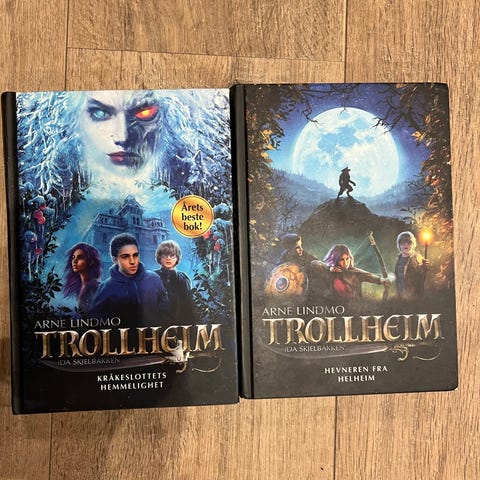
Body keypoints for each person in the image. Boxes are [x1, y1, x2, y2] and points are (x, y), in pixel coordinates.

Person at [91, 233, 169, 325]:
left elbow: (166, 311)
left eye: (135, 255)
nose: (132, 261)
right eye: (125, 257)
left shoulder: (154, 279)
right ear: (115, 259)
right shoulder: (106, 288)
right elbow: (96, 322)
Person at [310, 244, 390, 300]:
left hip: (353, 307)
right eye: (342, 259)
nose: (345, 262)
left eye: (347, 258)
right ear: (335, 260)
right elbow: (314, 264)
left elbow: (368, 276)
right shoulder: (329, 271)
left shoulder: (354, 272)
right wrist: (329, 267)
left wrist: (382, 280)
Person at [154, 240, 194, 322]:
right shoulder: (152, 277)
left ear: (177, 257)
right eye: (165, 255)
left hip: (180, 322)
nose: (168, 258)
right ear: (159, 257)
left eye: (172, 255)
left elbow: (188, 305)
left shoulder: (183, 278)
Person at [63, 243, 102, 314]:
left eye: (80, 257)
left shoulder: (94, 286)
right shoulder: (80, 285)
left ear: (90, 262)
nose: (74, 261)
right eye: (73, 257)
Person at [394, 231, 429, 299]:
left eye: (409, 242)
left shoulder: (418, 258)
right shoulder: (398, 259)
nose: (406, 244)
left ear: (413, 244)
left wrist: (425, 267)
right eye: (402, 242)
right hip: (401, 297)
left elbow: (422, 272)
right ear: (399, 245)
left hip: (414, 298)